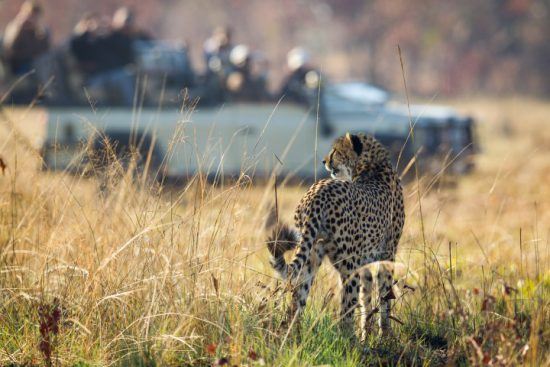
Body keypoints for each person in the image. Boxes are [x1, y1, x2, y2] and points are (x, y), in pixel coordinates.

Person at [279, 47, 332, 135]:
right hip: (296, 114)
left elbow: (318, 96)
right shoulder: (291, 80)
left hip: (302, 114)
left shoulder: (311, 76)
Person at [2, 0, 50, 75]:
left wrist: (40, 34)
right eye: (31, 16)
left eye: (35, 17)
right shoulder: (16, 27)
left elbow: (44, 51)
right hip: (17, 66)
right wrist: (21, 27)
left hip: (33, 64)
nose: (33, 19)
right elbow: (10, 49)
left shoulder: (37, 31)